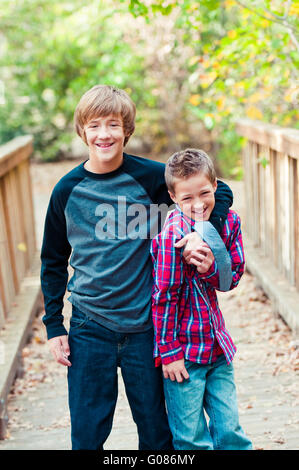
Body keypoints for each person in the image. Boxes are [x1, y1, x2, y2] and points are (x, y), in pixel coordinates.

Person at [40, 85, 234, 450]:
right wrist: (54, 326)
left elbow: (218, 192)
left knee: (158, 432)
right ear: (82, 130)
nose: (104, 134)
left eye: (113, 124)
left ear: (126, 130)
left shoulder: (153, 179)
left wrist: (203, 234)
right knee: (86, 433)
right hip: (88, 325)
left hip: (146, 326)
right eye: (94, 125)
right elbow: (52, 262)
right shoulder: (66, 191)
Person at [151, 148, 253, 450]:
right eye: (186, 198)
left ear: (216, 186)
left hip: (217, 347)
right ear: (172, 196)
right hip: (184, 356)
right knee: (192, 439)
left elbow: (231, 278)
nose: (198, 205)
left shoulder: (229, 222)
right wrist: (169, 351)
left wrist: (211, 268)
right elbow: (164, 296)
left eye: (204, 193)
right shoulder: (171, 235)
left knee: (230, 431)